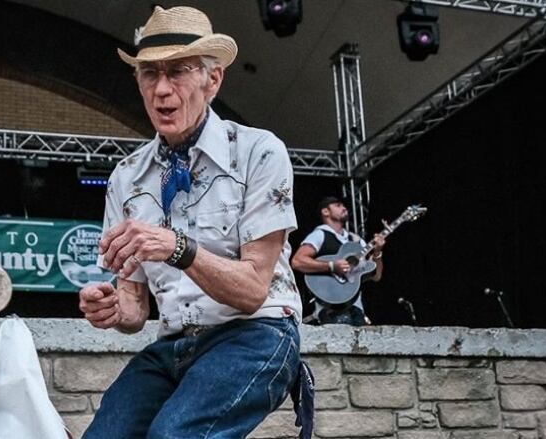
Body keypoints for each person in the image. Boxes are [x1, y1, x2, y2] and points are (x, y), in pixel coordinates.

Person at [78, 6, 313, 439]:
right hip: (173, 345)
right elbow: (135, 308)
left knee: (174, 436)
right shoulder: (126, 178)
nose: (162, 90)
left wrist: (176, 246)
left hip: (257, 332)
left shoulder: (258, 152)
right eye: (150, 74)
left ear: (213, 79)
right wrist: (113, 308)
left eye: (179, 71)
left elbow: (252, 290)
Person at [291, 196, 386, 325]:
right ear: (326, 212)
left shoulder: (356, 241)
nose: (344, 208)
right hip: (328, 307)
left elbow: (376, 276)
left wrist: (377, 252)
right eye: (338, 205)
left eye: (344, 206)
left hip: (356, 308)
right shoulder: (320, 235)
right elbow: (297, 261)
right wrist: (331, 266)